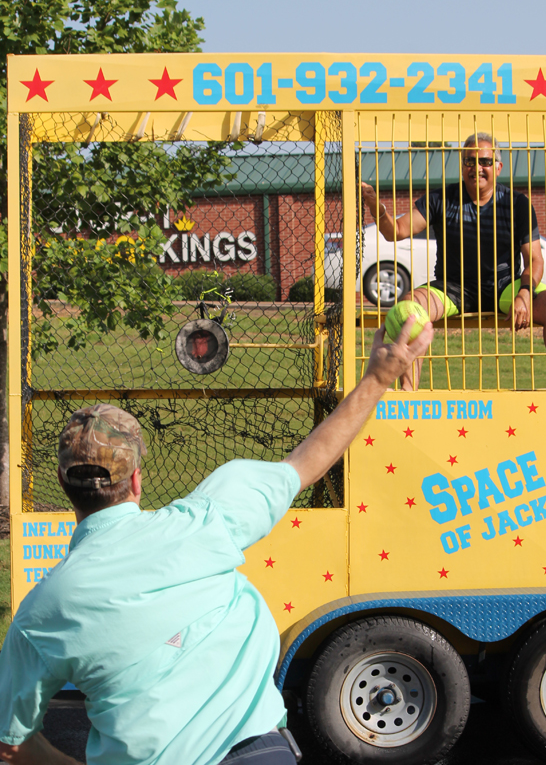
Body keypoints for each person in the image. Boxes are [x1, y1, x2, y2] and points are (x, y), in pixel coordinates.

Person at [0, 318, 433, 765]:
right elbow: (306, 462)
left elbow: (12, 743)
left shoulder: (41, 614)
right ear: (136, 479)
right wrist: (378, 378)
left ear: (60, 481)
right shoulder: (205, 522)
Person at [362, 132, 546, 391]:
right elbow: (395, 231)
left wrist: (524, 293)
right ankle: (408, 392)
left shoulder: (518, 204)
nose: (477, 168)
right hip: (452, 288)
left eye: (485, 162)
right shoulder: (441, 199)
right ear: (462, 166)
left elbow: (535, 259)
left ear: (498, 167)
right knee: (408, 309)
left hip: (504, 287)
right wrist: (377, 209)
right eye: (470, 162)